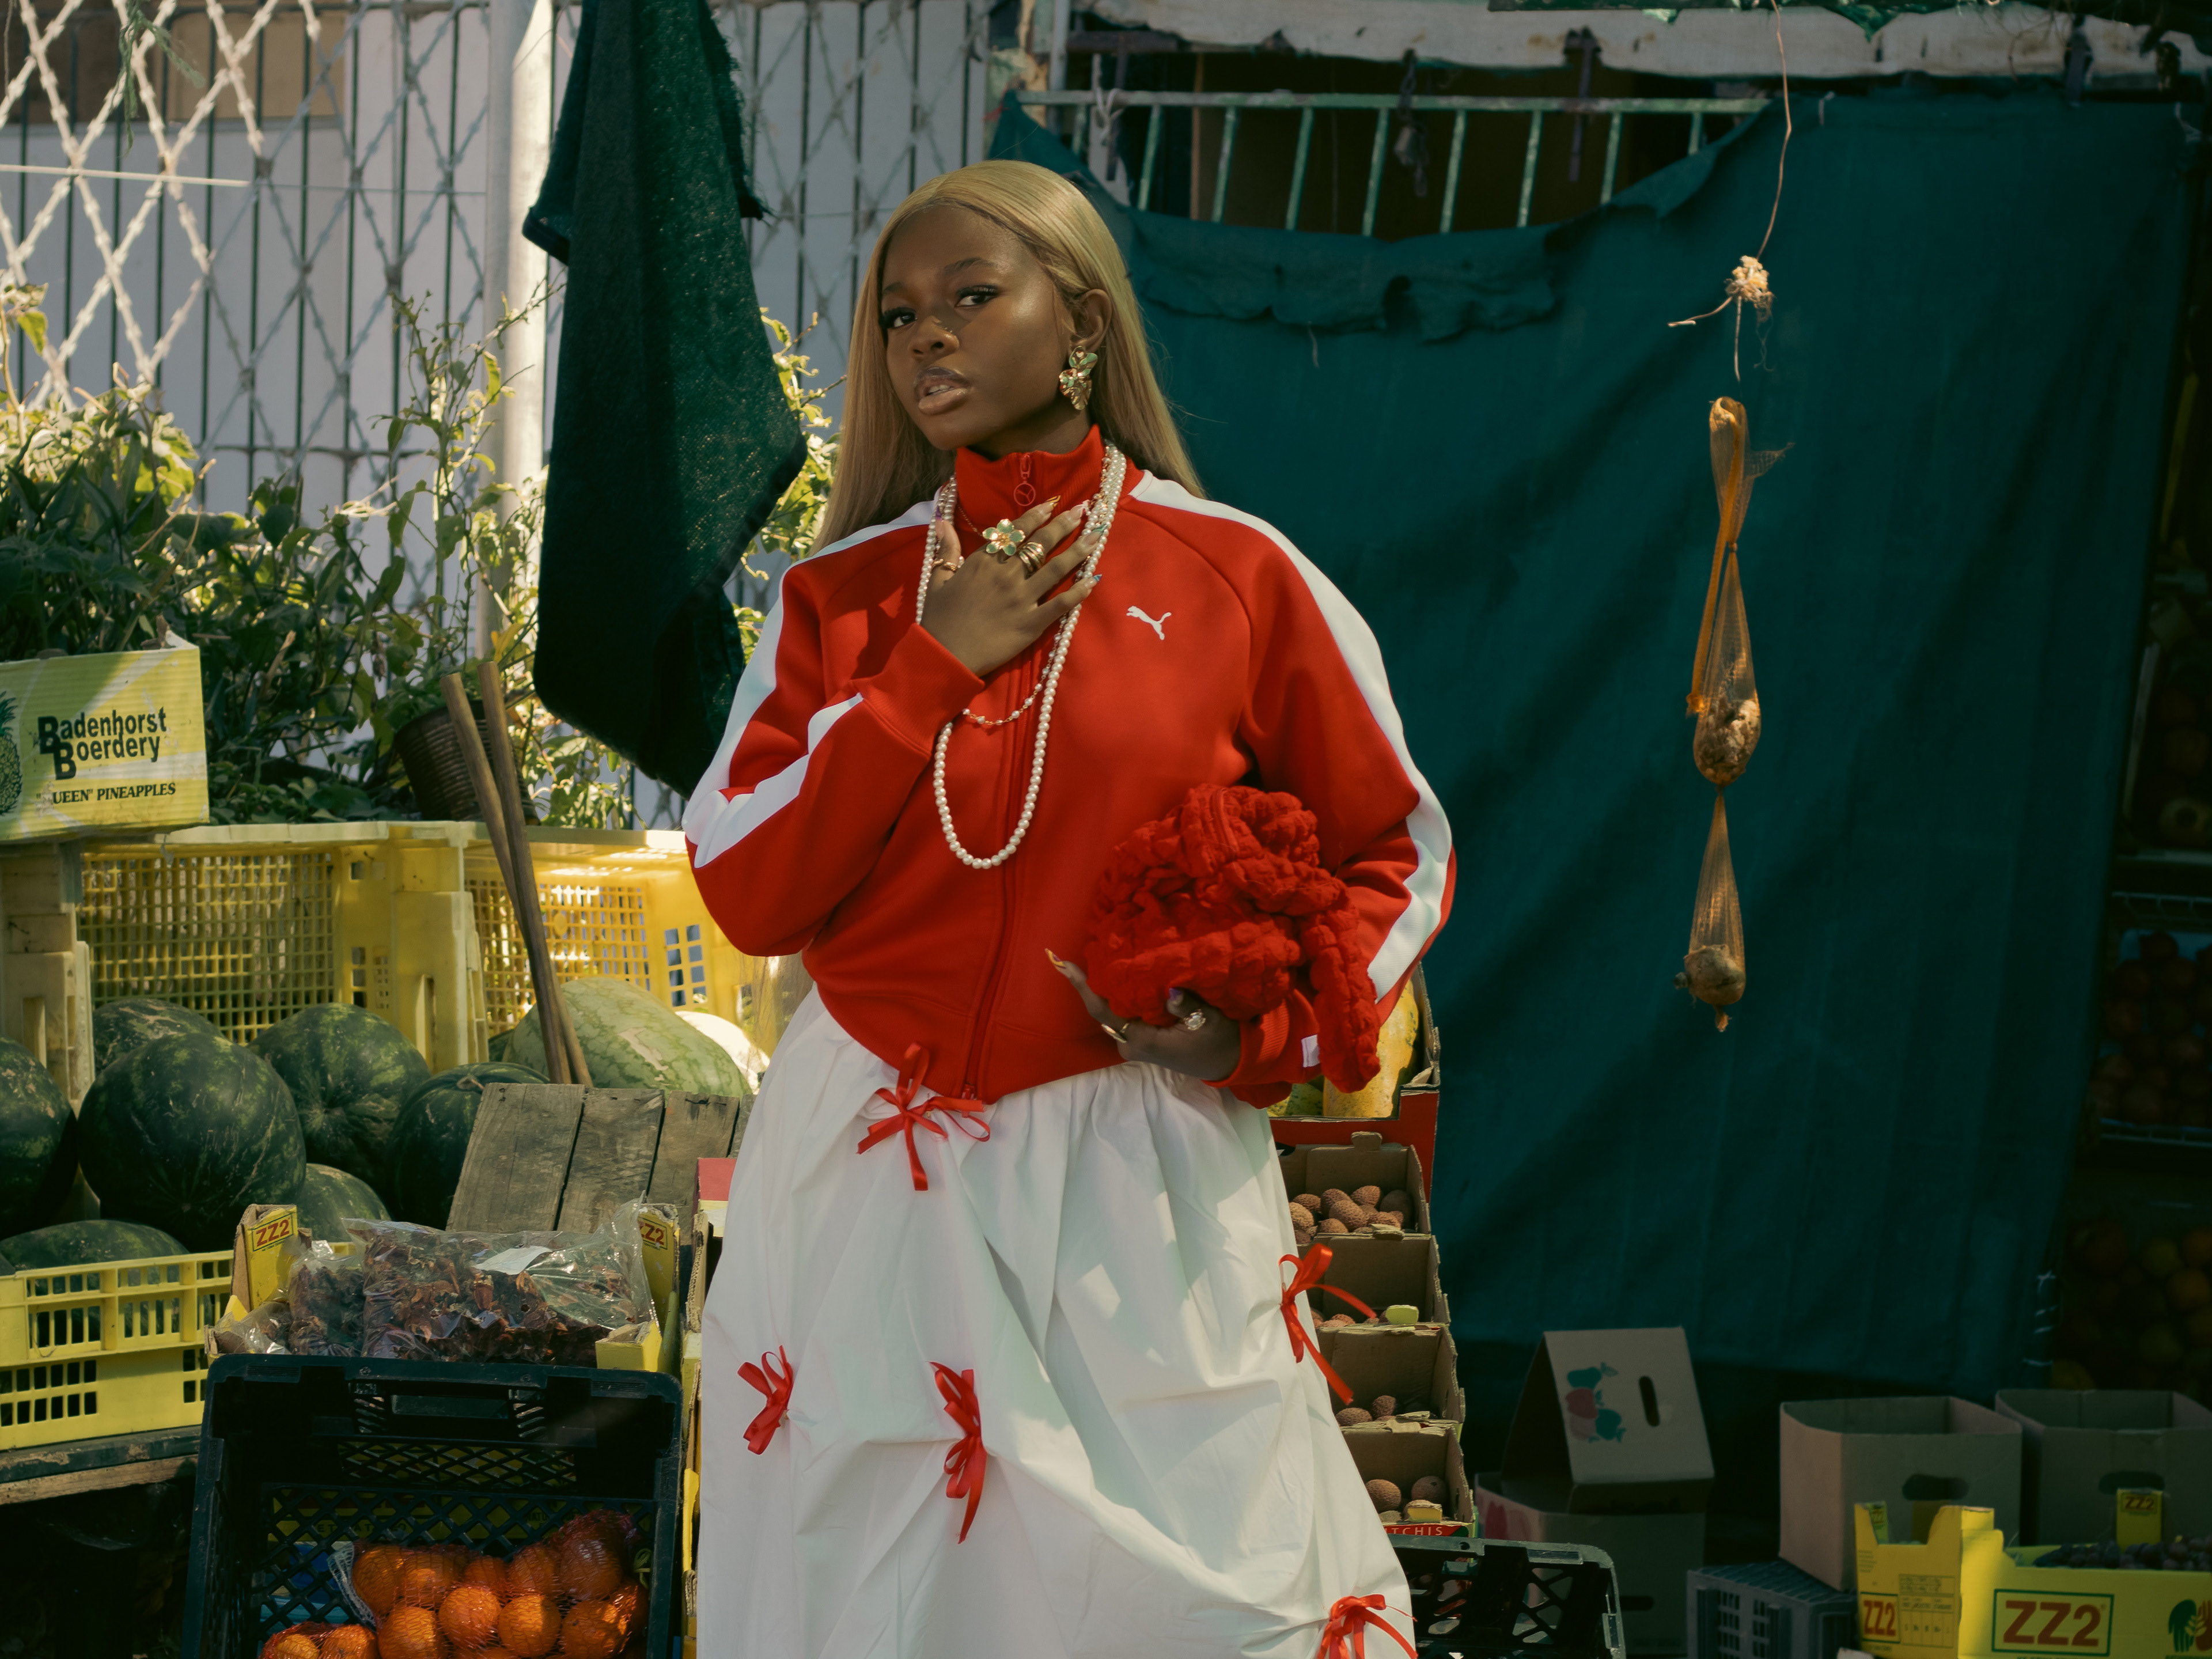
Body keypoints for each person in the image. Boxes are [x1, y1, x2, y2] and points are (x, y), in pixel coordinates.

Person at [685, 158, 1453, 1659]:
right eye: (898, 314)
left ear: (1084, 323)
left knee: (1213, 1606)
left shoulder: (1241, 579)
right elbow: (750, 887)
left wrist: (1256, 1033)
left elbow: (1399, 848)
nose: (928, 335)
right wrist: (927, 664)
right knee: (873, 1605)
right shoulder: (836, 604)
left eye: (974, 295)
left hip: (1141, 1176)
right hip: (868, 1172)